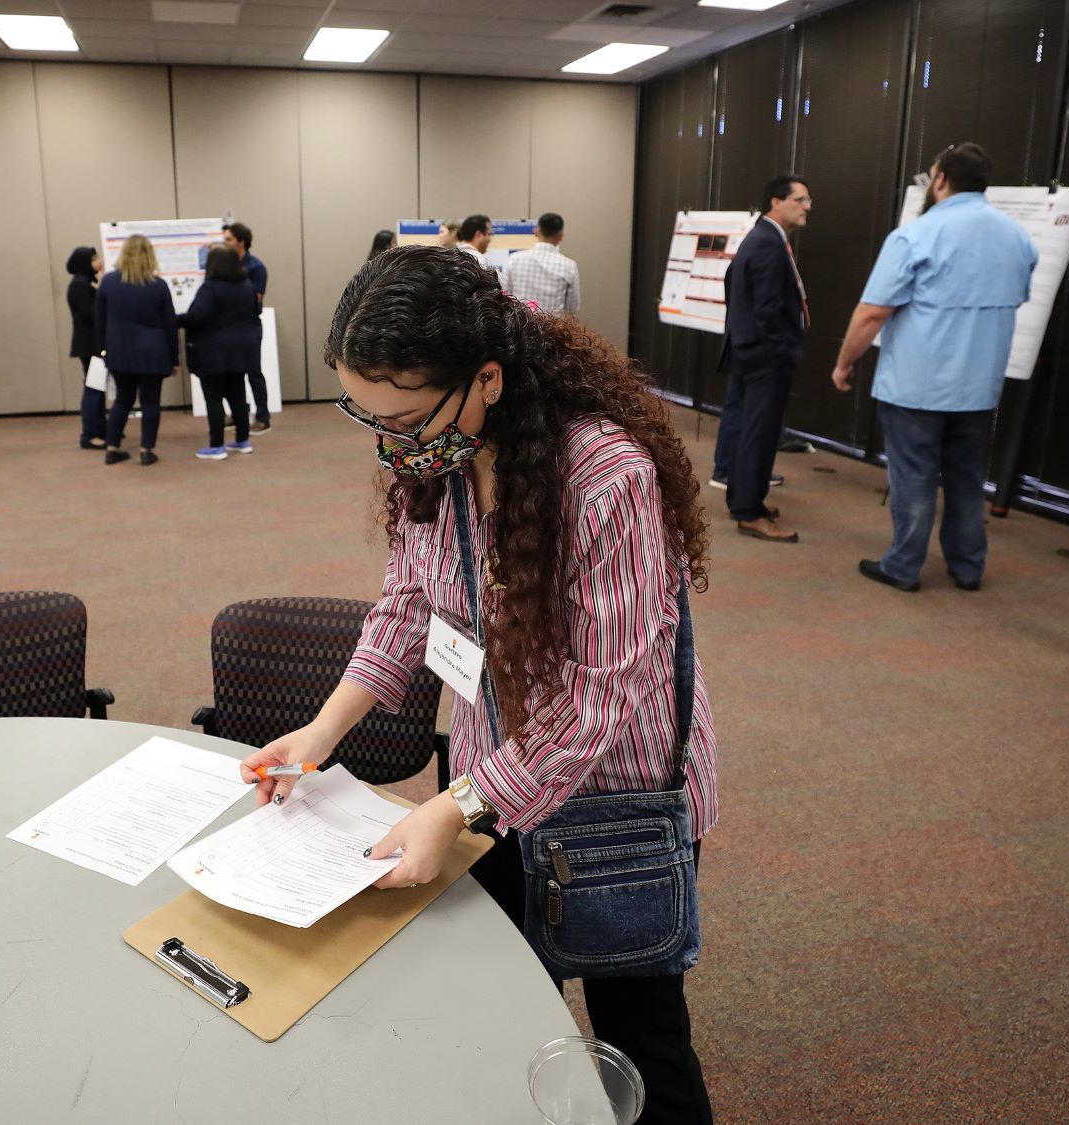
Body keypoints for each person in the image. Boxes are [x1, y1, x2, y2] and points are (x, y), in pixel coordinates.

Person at [240, 246, 718, 1124]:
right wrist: (323, 730)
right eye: (368, 416)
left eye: (408, 418)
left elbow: (599, 705)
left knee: (642, 1038)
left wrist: (455, 805)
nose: (391, 443)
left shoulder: (608, 476)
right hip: (485, 781)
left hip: (614, 794)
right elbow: (406, 605)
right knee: (494, 1008)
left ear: (487, 379)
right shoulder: (431, 459)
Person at [831, 143, 1036, 592]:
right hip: (980, 388)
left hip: (916, 386)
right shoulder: (1018, 237)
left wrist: (845, 363)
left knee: (914, 478)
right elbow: (1017, 299)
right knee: (967, 479)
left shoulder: (915, 236)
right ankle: (967, 567)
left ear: (941, 179)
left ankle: (903, 567)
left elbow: (871, 313)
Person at [717, 177, 812, 543]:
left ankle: (743, 498)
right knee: (759, 432)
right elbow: (769, 310)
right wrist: (781, 352)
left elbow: (733, 286)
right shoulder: (768, 244)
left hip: (749, 351)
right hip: (765, 357)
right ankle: (749, 512)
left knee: (748, 429)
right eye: (800, 200)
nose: (807, 207)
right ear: (776, 201)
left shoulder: (760, 237)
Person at [94, 233, 178, 465]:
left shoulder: (108, 282)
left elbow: (99, 321)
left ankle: (112, 448)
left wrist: (103, 351)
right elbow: (170, 324)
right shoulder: (158, 286)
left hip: (119, 351)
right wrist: (174, 359)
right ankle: (146, 450)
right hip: (153, 352)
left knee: (122, 400)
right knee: (151, 402)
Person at [180, 242, 260, 460]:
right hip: (241, 351)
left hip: (213, 353)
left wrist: (175, 319)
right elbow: (255, 311)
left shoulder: (210, 288)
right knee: (237, 396)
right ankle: (243, 441)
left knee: (213, 399)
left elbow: (197, 317)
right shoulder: (247, 286)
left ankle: (217, 446)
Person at [222, 222, 272, 432]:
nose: (224, 243)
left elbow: (255, 300)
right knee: (233, 373)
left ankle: (262, 417)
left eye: (229, 240)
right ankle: (238, 413)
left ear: (241, 242)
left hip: (248, 326)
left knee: (253, 372)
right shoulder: (224, 265)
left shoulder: (256, 267)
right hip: (228, 327)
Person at [499, 212, 580, 317]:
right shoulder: (569, 266)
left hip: (520, 329)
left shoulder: (514, 260)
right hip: (552, 331)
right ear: (561, 236)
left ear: (536, 231)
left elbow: (506, 297)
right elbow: (572, 308)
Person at [66, 246, 106, 449]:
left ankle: (100, 428)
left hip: (94, 344)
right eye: (94, 259)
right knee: (93, 389)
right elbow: (91, 314)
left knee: (98, 388)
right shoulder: (80, 285)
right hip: (90, 345)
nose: (98, 262)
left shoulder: (86, 283)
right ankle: (90, 434)